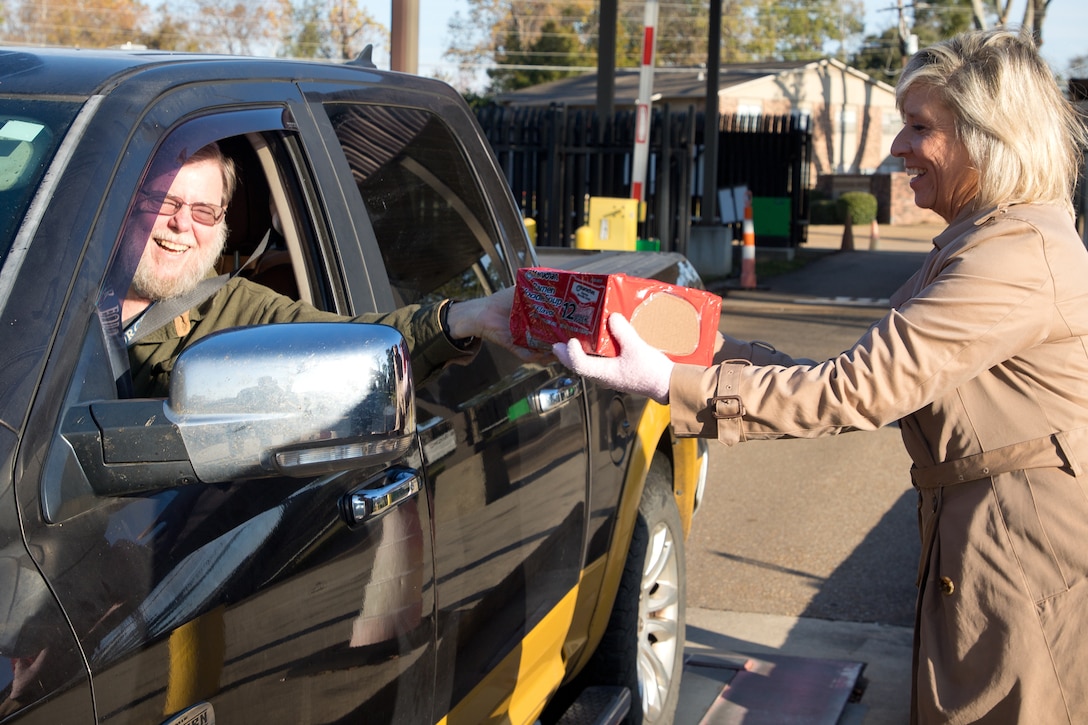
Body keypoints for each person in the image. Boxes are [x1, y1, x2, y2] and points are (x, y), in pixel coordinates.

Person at [554, 28, 1088, 723]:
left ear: (991, 139)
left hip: (1021, 553)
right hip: (997, 536)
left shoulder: (1008, 258)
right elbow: (849, 372)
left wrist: (670, 381)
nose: (898, 147)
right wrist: (699, 350)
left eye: (920, 127)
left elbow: (853, 389)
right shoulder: (992, 241)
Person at [111, 141, 520, 398]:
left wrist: (468, 316)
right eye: (164, 202)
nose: (182, 224)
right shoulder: (56, 291)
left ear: (222, 224)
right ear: (125, 207)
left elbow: (357, 346)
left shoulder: (236, 311)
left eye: (204, 211)